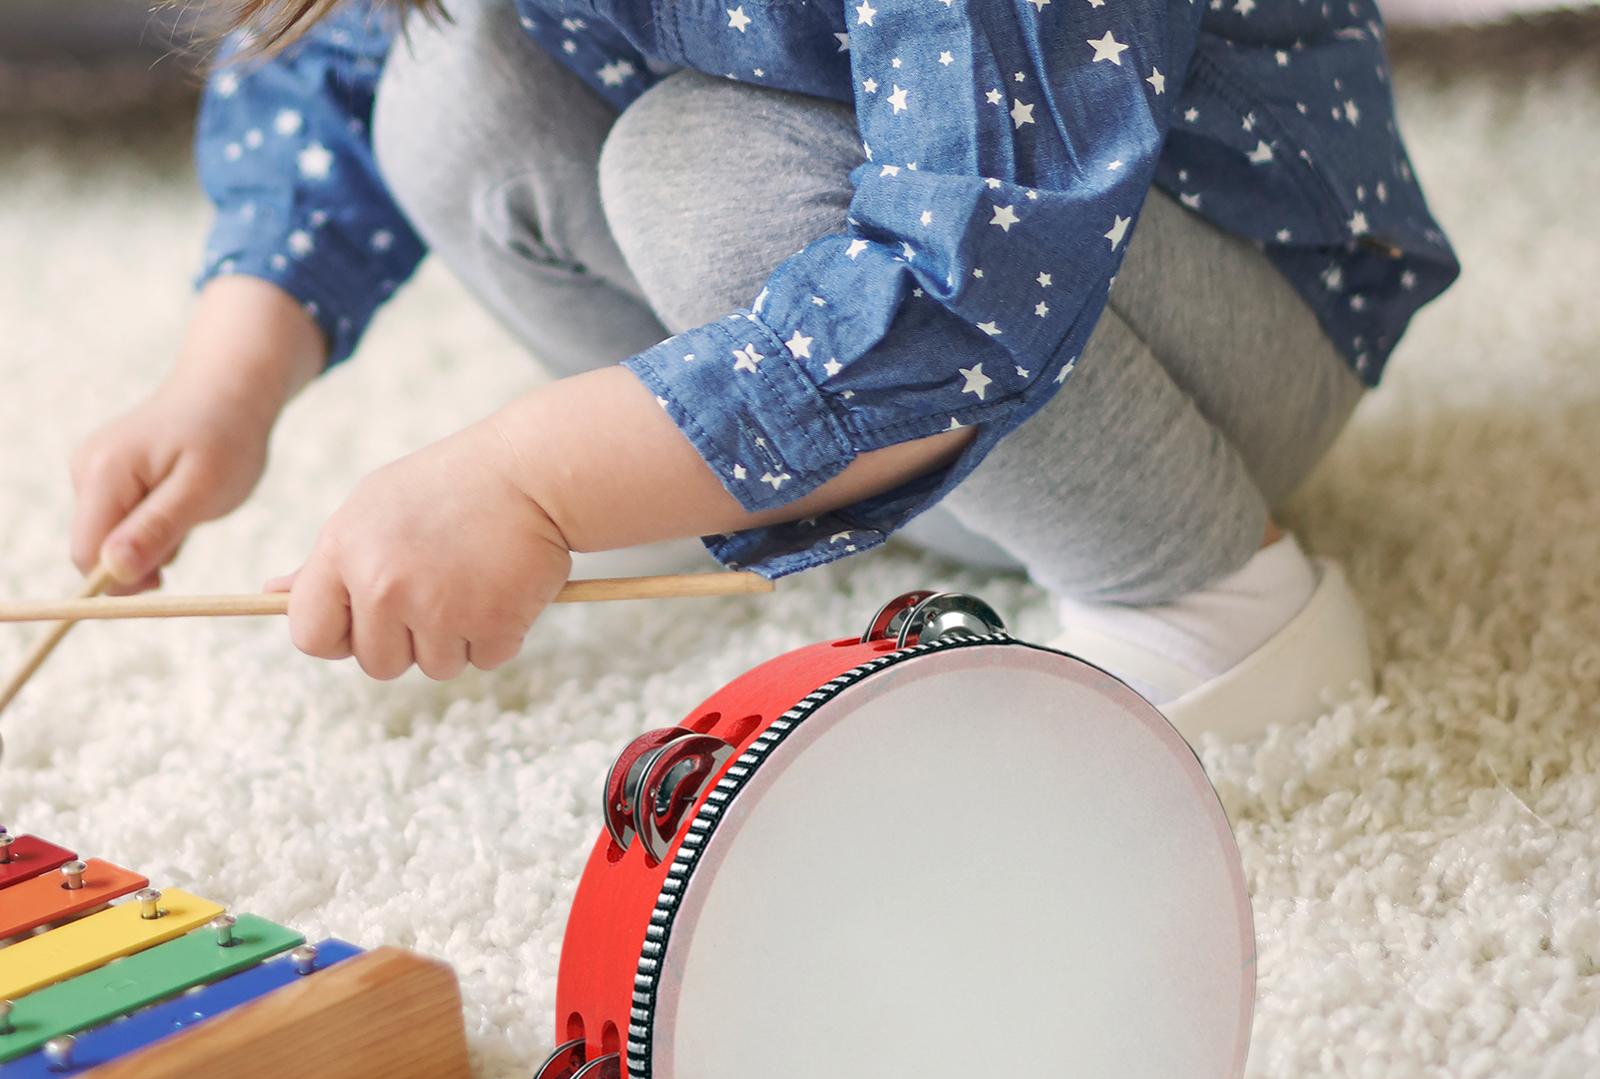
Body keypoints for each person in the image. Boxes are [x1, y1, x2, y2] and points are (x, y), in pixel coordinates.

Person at [68, 0, 1458, 741]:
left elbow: (974, 262)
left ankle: (1204, 586)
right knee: (450, 79)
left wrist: (530, 483)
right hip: (932, 323)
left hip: (1201, 320)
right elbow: (334, 55)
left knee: (702, 172)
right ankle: (745, 470)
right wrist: (226, 381)